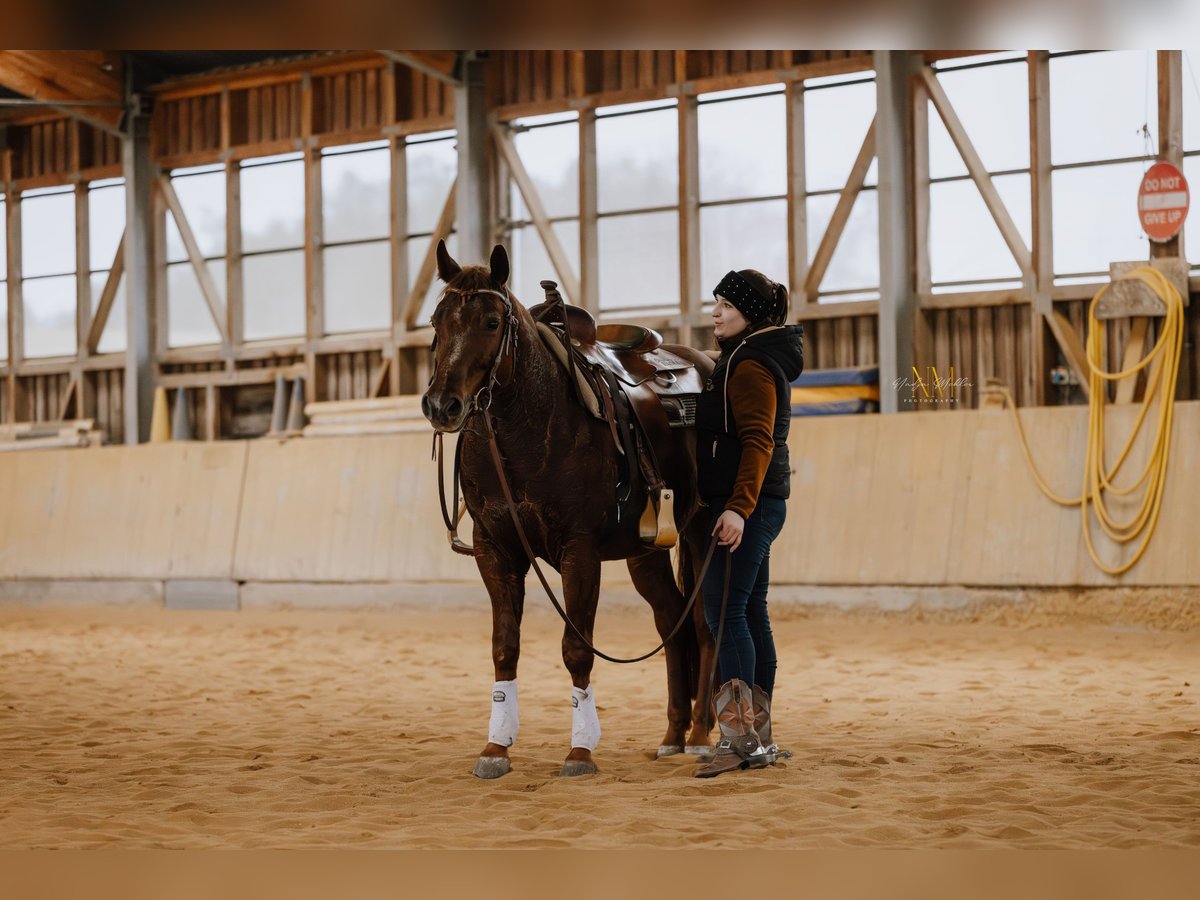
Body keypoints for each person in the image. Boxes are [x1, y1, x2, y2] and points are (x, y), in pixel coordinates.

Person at [693, 268, 804, 779]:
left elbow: (758, 441)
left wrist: (737, 507)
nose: (715, 314)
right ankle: (757, 738)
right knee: (749, 611)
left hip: (749, 505)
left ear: (749, 315)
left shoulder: (751, 367)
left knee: (724, 612)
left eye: (725, 306)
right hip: (759, 502)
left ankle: (739, 741)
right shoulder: (745, 357)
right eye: (714, 304)